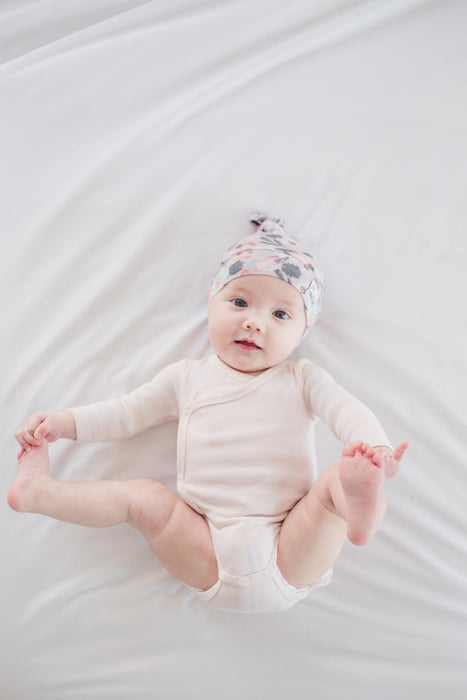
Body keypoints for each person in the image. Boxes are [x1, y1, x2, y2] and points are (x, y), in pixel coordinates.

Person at [9, 214, 408, 614]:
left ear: (302, 332)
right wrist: (63, 424)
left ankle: (357, 502)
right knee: (142, 499)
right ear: (211, 304)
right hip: (204, 546)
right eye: (239, 302)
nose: (254, 322)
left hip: (290, 541)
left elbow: (347, 411)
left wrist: (376, 449)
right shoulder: (186, 378)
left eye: (281, 315)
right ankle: (39, 492)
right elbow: (125, 413)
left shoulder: (302, 379)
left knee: (335, 484)